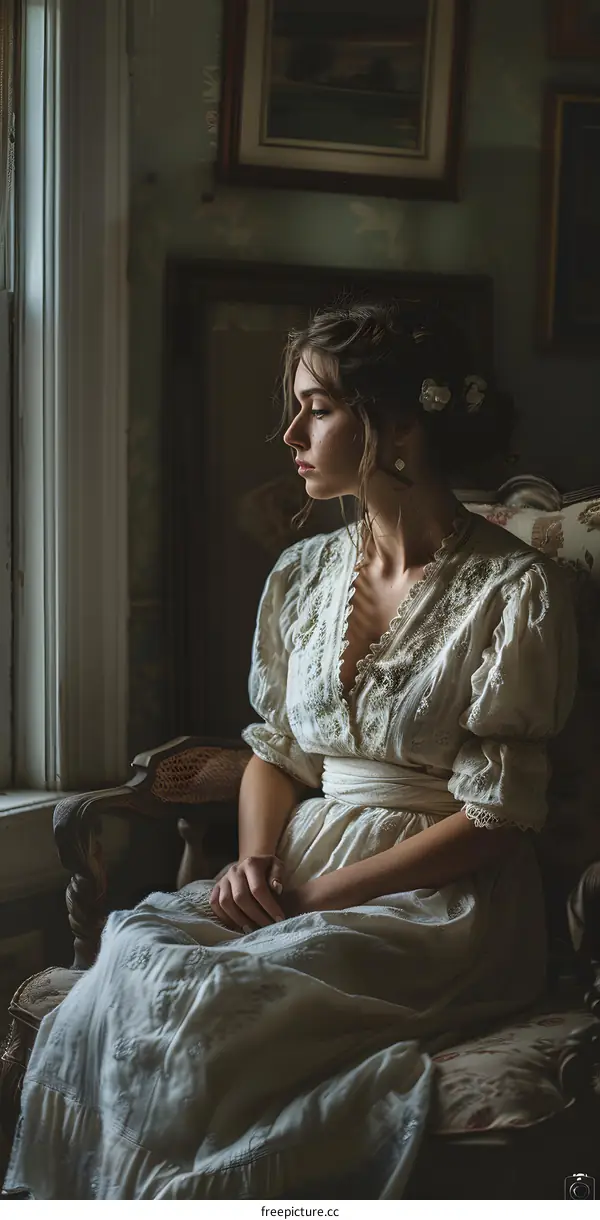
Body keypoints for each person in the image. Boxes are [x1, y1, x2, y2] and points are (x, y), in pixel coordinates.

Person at [4, 302, 578, 1201]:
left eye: (315, 407)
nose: (289, 433)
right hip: (301, 861)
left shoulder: (516, 589)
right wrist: (259, 864)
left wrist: (313, 901)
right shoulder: (302, 574)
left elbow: (498, 818)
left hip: (438, 901)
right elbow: (275, 751)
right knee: (140, 954)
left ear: (395, 425)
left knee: (221, 1003)